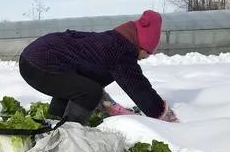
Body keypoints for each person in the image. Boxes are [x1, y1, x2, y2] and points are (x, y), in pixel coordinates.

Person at [18, 10, 178, 125]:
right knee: (90, 92)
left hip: (33, 60)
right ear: (142, 46)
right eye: (147, 53)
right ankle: (69, 135)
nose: (144, 58)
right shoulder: (121, 49)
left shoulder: (113, 42)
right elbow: (138, 87)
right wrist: (162, 114)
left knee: (76, 88)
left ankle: (54, 122)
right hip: (39, 62)